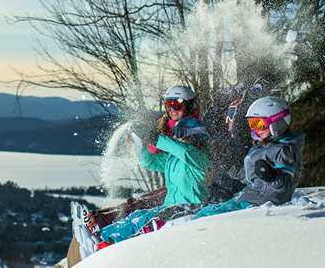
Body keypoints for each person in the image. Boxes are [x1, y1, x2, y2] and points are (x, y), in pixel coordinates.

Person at [98, 85, 211, 243]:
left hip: (191, 208)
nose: (172, 109)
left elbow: (185, 151)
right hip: (171, 206)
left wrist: (156, 138)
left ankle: (113, 243)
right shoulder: (174, 158)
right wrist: (140, 143)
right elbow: (149, 162)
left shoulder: (199, 157)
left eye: (177, 104)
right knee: (139, 217)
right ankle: (101, 235)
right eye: (168, 105)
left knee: (151, 224)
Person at [194, 96, 305, 219]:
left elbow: (284, 186)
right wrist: (230, 172)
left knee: (204, 216)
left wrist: (271, 176)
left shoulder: (284, 150)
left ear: (277, 122)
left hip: (257, 203)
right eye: (252, 124)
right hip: (249, 198)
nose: (255, 129)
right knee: (203, 212)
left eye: (259, 124)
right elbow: (251, 178)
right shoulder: (262, 146)